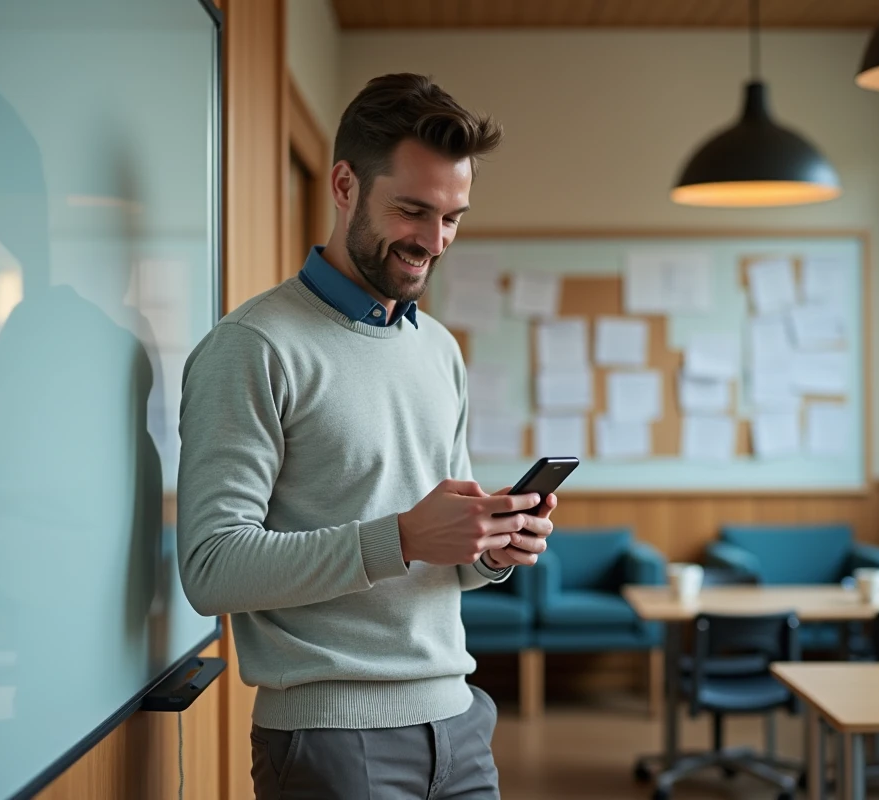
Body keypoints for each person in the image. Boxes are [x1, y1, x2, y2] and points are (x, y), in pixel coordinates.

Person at [176, 72, 555, 800]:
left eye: (452, 218)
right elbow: (211, 567)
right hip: (331, 743)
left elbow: (439, 557)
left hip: (461, 725)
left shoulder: (438, 348)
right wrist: (406, 537)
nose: (434, 241)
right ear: (344, 184)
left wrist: (494, 547)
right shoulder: (252, 347)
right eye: (413, 211)